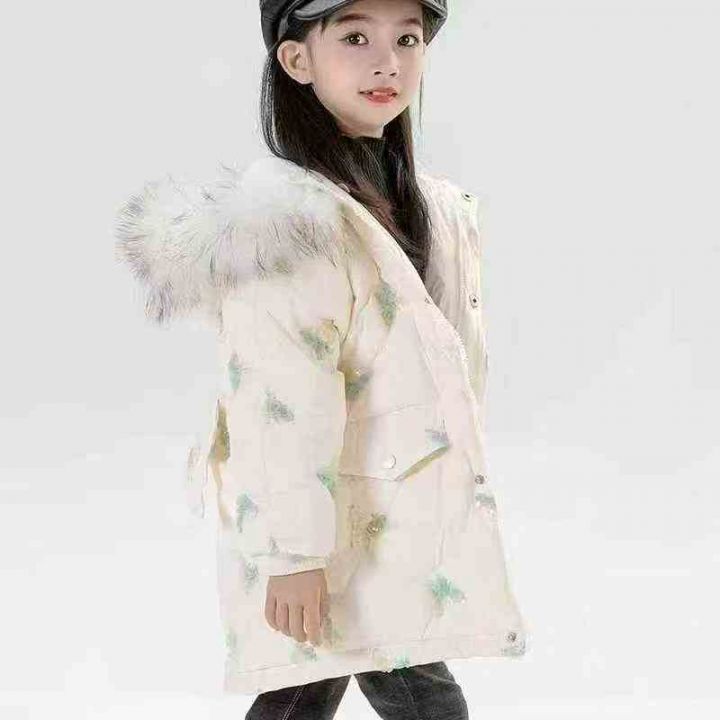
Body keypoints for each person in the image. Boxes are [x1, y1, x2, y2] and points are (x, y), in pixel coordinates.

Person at [114, 0, 529, 716]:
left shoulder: (428, 206)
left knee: (315, 689)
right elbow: (278, 398)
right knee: (397, 694)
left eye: (407, 39)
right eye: (356, 37)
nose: (388, 62)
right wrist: (292, 555)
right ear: (297, 59)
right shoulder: (290, 227)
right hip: (332, 529)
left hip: (392, 520)